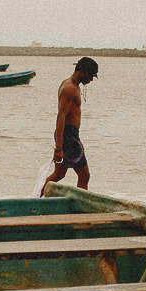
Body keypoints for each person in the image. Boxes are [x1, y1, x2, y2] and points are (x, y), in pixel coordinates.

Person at [43, 57, 98, 192]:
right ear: (82, 72)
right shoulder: (70, 89)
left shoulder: (70, 85)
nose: (91, 80)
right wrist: (58, 148)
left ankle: (35, 198)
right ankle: (81, 203)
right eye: (90, 76)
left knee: (59, 174)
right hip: (68, 137)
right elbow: (61, 117)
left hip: (70, 135)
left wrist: (77, 140)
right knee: (84, 175)